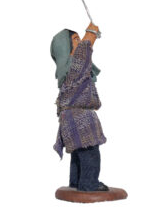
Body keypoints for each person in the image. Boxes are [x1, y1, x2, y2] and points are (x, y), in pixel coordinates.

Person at [51, 22, 109, 192]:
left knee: (78, 153)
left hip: (70, 120)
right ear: (65, 49)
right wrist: (91, 32)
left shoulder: (69, 74)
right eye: (76, 40)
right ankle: (89, 184)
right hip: (80, 119)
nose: (80, 42)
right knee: (90, 152)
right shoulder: (75, 67)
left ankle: (76, 183)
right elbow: (83, 51)